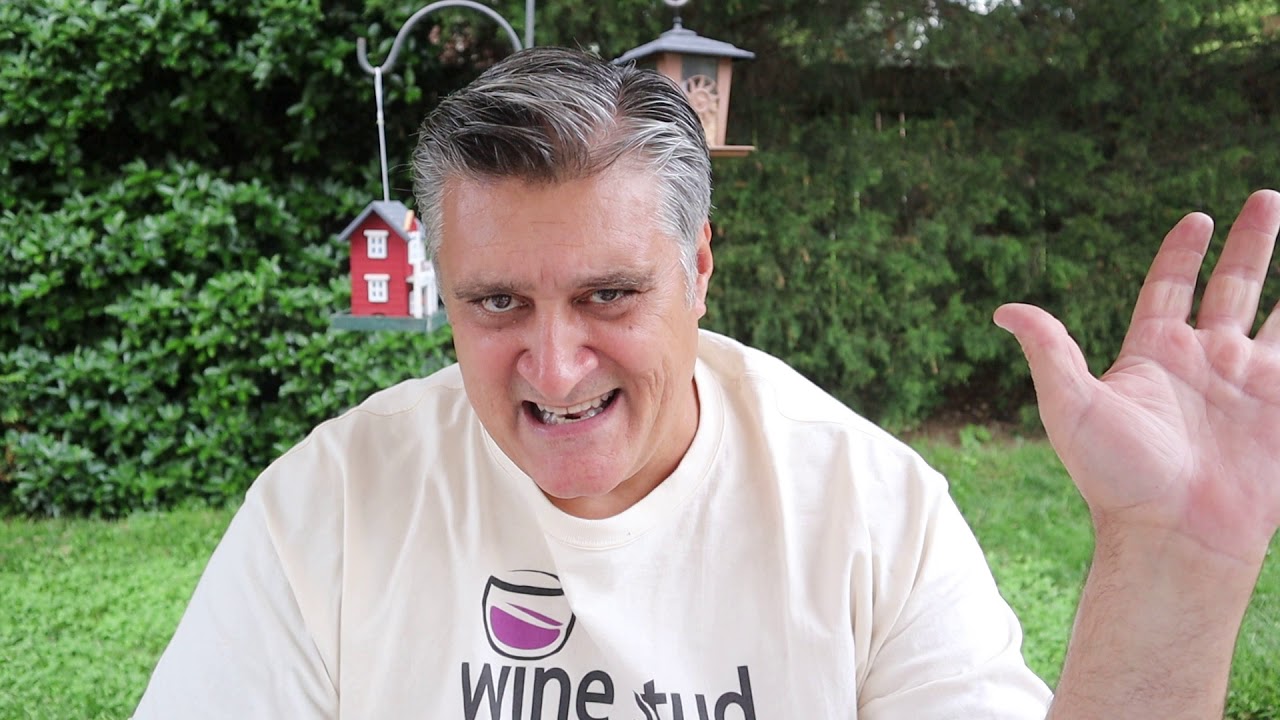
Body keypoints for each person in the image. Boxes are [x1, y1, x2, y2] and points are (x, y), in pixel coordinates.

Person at [133, 47, 1279, 718]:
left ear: (698, 270)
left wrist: (1169, 569)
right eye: (496, 304)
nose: (553, 366)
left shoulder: (867, 510)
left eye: (608, 295)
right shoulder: (327, 507)